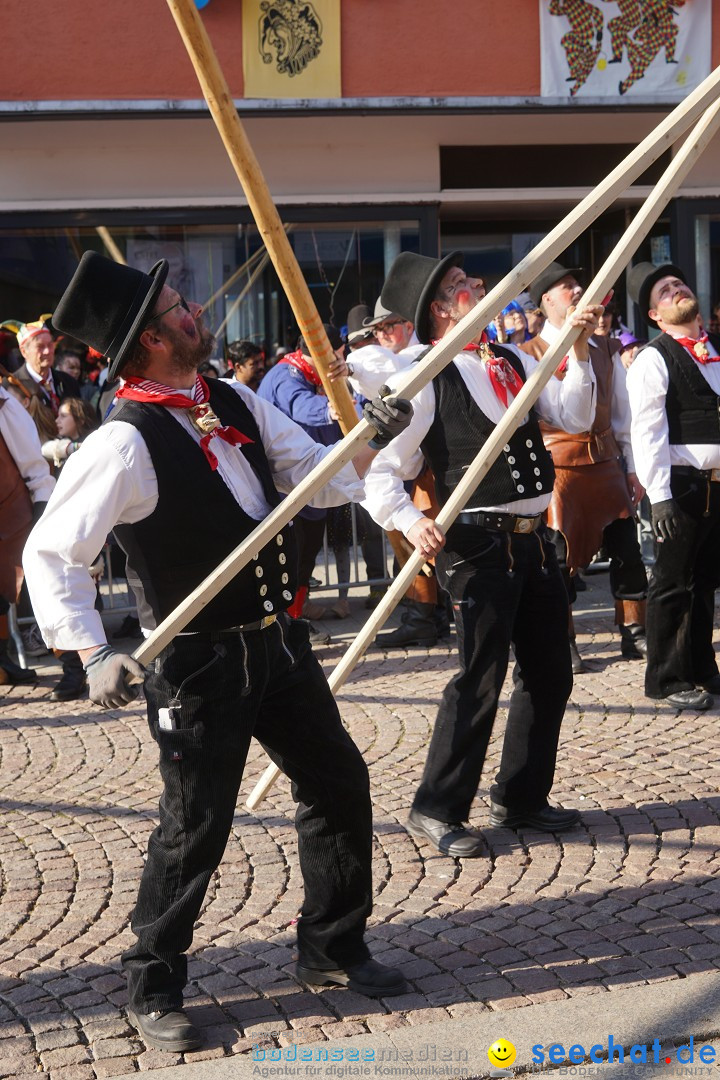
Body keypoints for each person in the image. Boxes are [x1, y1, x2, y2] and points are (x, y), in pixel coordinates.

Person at [24, 252, 413, 1052]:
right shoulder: (121, 444)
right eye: (179, 308)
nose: (194, 311)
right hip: (197, 662)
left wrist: (364, 442)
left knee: (339, 780)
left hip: (276, 643)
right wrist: (91, 649)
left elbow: (312, 475)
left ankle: (332, 946)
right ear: (151, 343)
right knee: (194, 825)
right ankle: (151, 981)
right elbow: (52, 552)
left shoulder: (228, 397)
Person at [361, 251, 601, 857]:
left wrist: (574, 347)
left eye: (470, 280)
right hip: (475, 541)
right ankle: (436, 808)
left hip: (534, 540)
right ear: (441, 309)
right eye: (462, 285)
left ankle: (520, 797)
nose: (477, 288)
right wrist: (412, 523)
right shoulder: (421, 372)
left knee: (550, 673)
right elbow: (379, 475)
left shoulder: (512, 359)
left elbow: (574, 414)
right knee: (479, 677)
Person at [520, 263, 648, 672]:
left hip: (607, 463)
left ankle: (635, 632)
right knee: (558, 559)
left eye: (578, 284)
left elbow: (624, 416)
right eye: (566, 286)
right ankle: (565, 640)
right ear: (546, 301)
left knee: (628, 551)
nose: (577, 290)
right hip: (558, 470)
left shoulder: (608, 349)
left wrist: (634, 467)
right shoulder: (526, 355)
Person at [626, 261, 720, 711]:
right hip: (678, 486)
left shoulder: (714, 350)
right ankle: (665, 679)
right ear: (655, 315)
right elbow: (647, 432)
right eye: (665, 291)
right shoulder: (652, 357)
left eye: (678, 283)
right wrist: (659, 497)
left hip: (716, 486)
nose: (676, 290)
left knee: (705, 583)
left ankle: (702, 668)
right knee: (671, 583)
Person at [0, 384, 55, 685]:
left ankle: (73, 665)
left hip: (11, 513)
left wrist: (41, 506)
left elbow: (33, 465)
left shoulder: (4, 404)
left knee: (35, 586)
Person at [12, 319, 80, 414]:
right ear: (24, 351)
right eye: (40, 346)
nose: (47, 351)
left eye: (50, 345)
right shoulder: (12, 386)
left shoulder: (69, 382)